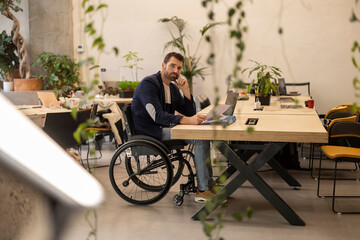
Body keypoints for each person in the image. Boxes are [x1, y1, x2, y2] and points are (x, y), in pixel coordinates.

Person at [131, 52, 214, 202]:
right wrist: (187, 121)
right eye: (172, 66)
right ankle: (203, 190)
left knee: (204, 134)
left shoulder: (173, 88)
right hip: (151, 131)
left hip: (164, 128)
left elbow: (188, 112)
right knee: (200, 138)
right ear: (163, 65)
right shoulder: (149, 84)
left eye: (179, 68)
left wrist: (186, 91)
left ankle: (208, 184)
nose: (176, 71)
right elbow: (157, 116)